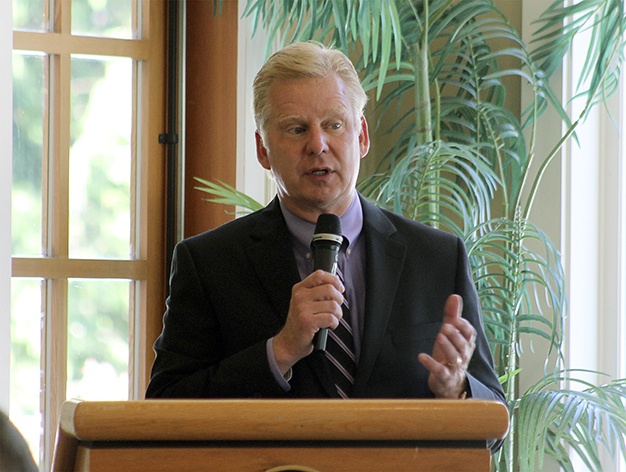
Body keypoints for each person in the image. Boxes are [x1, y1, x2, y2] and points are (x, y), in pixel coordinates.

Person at [146, 42, 504, 411]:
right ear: (263, 150)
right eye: (296, 129)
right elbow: (166, 406)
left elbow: (495, 416)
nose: (318, 145)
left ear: (361, 136)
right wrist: (280, 350)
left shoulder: (437, 257)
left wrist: (455, 388)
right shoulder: (208, 262)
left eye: (334, 125)